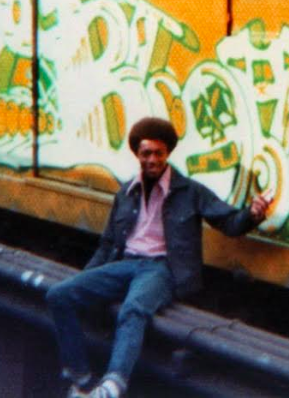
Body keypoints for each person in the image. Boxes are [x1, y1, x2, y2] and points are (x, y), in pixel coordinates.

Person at [45, 117, 272, 398]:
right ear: (137, 154)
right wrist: (86, 279)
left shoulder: (190, 191)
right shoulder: (126, 192)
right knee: (59, 295)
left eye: (158, 153)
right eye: (146, 153)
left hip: (160, 269)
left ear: (167, 154)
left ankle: (113, 385)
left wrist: (253, 214)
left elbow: (230, 223)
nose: (152, 159)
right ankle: (81, 380)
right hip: (125, 264)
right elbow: (107, 245)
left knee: (133, 309)